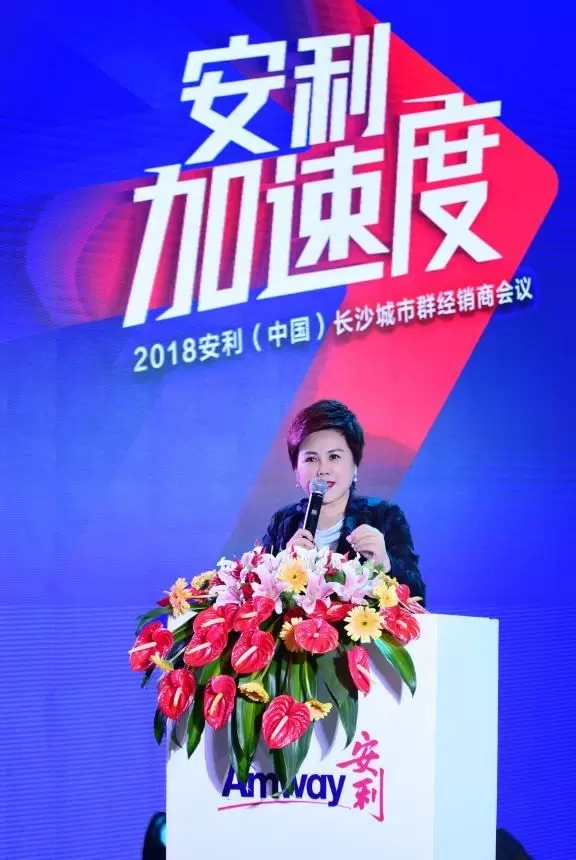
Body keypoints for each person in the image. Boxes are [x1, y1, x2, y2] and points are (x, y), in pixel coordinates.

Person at [261, 399, 425, 604]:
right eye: (311, 459)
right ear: (296, 471)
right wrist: (282, 567)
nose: (323, 470)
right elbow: (257, 596)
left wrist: (385, 563)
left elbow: (418, 600)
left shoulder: (384, 516)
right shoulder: (283, 522)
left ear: (355, 464)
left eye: (334, 457)